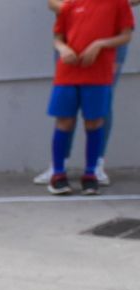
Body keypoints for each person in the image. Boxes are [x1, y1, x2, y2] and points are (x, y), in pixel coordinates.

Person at [36, 0, 138, 186]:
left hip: (109, 37)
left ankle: (95, 166)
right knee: (67, 106)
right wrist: (78, 10)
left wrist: (106, 9)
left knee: (101, 104)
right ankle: (59, 167)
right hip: (72, 35)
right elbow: (53, 3)